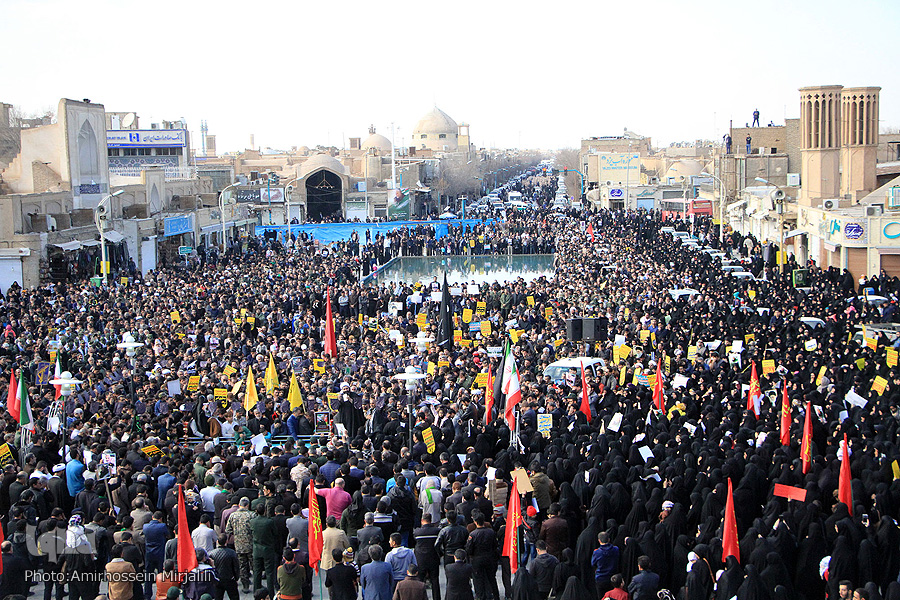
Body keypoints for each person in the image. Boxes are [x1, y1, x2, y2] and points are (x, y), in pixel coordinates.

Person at [466, 511, 500, 600]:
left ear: (475, 522)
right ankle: (496, 596)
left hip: (477, 559)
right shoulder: (491, 532)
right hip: (489, 558)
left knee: (478, 580)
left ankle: (480, 596)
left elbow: (469, 549)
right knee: (492, 578)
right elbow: (495, 545)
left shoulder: (472, 534)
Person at [225, 496, 254, 593]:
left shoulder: (233, 515)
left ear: (239, 505)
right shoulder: (252, 515)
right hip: (250, 544)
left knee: (242, 566)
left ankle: (245, 585)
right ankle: (257, 585)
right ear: (248, 505)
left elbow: (228, 530)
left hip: (238, 545)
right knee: (254, 565)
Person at [413, 514, 442, 600]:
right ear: (431, 520)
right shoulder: (436, 531)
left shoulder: (417, 532)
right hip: (433, 558)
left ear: (422, 521)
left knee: (420, 580)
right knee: (435, 580)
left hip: (421, 559)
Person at [250, 503, 278, 594]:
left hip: (257, 550)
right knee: (269, 573)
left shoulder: (252, 521)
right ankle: (270, 593)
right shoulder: (269, 521)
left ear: (256, 511)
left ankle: (256, 593)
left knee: (257, 572)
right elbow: (275, 533)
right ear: (265, 511)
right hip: (268, 549)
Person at [209, 534, 241, 600]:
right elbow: (236, 567)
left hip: (217, 579)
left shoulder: (211, 553)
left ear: (217, 541)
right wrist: (236, 577)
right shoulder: (232, 553)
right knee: (234, 597)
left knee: (218, 597)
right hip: (230, 579)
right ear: (227, 541)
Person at [592, 532, 619, 596]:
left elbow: (593, 563)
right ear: (609, 539)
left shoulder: (597, 552)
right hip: (612, 577)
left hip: (601, 578)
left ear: (599, 540)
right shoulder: (616, 549)